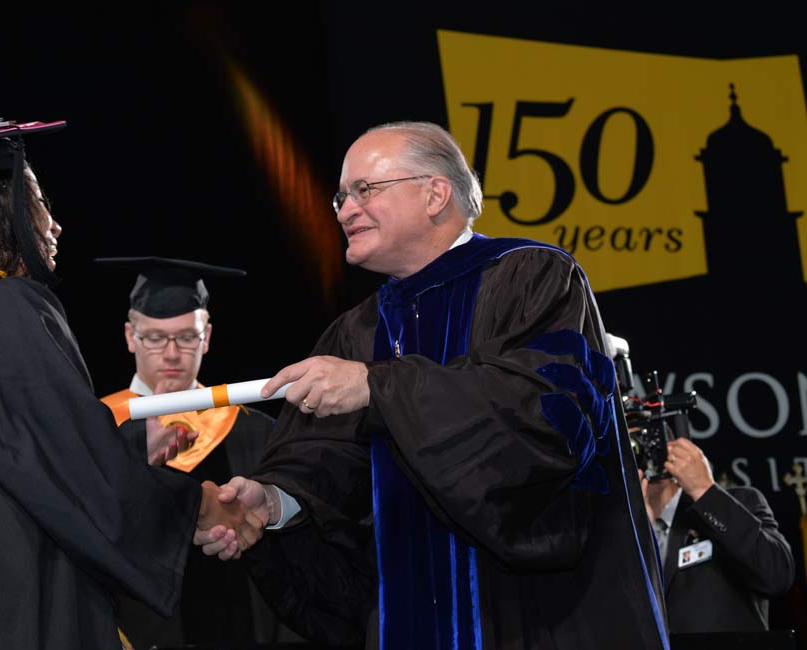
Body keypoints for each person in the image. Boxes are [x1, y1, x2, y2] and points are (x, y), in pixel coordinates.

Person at [195, 121, 669, 649]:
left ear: (435, 194)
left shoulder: (535, 277)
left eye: (365, 189)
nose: (346, 209)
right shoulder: (356, 332)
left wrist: (381, 389)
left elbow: (543, 419)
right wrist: (274, 501)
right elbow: (324, 461)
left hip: (544, 615)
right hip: (413, 617)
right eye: (341, 197)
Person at [0, 121, 261, 650]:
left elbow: (3, 453)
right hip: (12, 612)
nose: (54, 225)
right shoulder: (1, 307)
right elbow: (66, 465)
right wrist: (198, 507)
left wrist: (125, 445)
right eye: (35, 200)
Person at [96, 257, 299, 647]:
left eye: (187, 337)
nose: (171, 354)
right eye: (154, 337)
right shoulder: (100, 426)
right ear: (129, 336)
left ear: (206, 337)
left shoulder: (251, 428)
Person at [641, 437, 794, 633]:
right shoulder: (615, 532)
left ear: (671, 451)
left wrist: (703, 491)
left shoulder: (738, 503)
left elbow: (777, 575)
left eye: (643, 444)